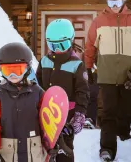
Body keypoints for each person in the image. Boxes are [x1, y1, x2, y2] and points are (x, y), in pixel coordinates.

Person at [84, 0, 131, 162]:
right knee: (109, 113)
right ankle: (107, 149)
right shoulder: (99, 21)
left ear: (123, 1)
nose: (114, 5)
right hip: (107, 75)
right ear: (107, 2)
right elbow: (90, 46)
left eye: (117, 2)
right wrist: (88, 67)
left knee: (126, 111)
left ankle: (125, 140)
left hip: (128, 75)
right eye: (111, 2)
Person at [0, 42, 47, 162]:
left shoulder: (38, 93)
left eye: (18, 70)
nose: (13, 75)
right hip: (7, 156)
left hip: (34, 154)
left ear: (27, 68)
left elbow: (48, 121)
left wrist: (51, 145)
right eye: (7, 71)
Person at [37, 19, 90, 162]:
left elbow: (82, 91)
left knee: (64, 149)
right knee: (45, 149)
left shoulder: (76, 65)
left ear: (71, 41)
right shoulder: (44, 62)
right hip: (47, 114)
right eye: (52, 45)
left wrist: (79, 114)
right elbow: (38, 86)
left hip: (67, 116)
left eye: (62, 44)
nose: (58, 49)